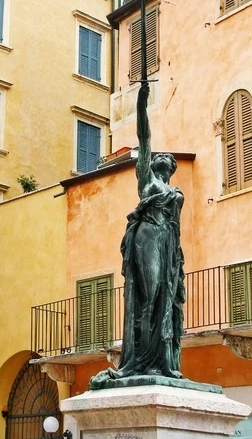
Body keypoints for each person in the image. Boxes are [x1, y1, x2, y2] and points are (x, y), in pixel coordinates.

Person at [90, 82, 185, 387]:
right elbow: (144, 137)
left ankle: (162, 361)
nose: (162, 157)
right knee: (151, 294)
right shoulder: (147, 178)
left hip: (166, 242)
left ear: (170, 169)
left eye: (167, 159)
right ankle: (141, 358)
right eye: (160, 156)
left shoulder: (172, 189)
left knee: (164, 299)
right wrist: (142, 103)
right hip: (146, 236)